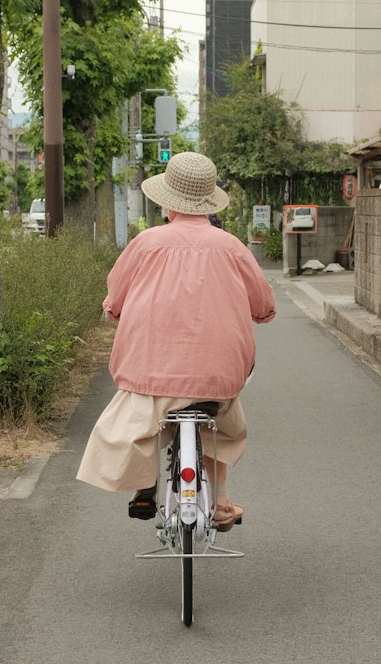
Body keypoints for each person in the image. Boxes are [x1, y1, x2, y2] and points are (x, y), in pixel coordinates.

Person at [77, 151, 276, 531]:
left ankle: (145, 486)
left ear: (168, 202)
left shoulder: (146, 243)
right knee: (223, 425)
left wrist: (115, 311)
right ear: (208, 201)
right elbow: (264, 305)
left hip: (149, 368)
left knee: (142, 411)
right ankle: (218, 501)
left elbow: (115, 298)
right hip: (219, 373)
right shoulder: (232, 246)